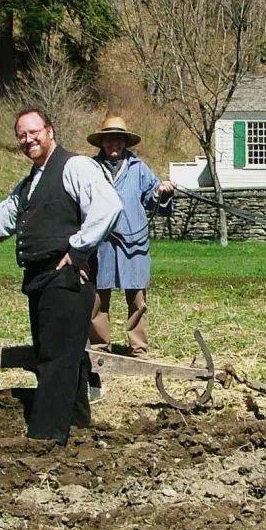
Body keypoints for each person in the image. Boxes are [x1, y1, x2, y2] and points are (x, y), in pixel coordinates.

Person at [0, 108, 122, 445]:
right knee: (62, 354)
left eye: (34, 132)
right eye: (21, 136)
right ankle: (77, 423)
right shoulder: (29, 183)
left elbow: (109, 206)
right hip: (40, 279)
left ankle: (45, 437)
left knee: (55, 360)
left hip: (66, 279)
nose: (28, 140)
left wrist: (77, 250)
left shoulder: (75, 166)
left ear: (50, 131)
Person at [87, 116, 175, 358]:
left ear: (125, 142)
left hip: (133, 243)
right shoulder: (91, 169)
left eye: (118, 140)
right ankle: (99, 348)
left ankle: (138, 348)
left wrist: (161, 191)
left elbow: (152, 198)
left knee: (137, 300)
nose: (113, 144)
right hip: (100, 243)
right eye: (109, 140)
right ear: (102, 143)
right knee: (97, 299)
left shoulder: (139, 168)